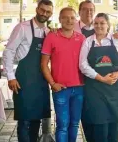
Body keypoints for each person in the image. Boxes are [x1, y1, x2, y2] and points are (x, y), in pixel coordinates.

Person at [2, 0, 53, 142]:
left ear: (51, 14)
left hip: (41, 81)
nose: (44, 13)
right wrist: (10, 77)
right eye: (42, 10)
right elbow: (9, 51)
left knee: (37, 118)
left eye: (48, 11)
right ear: (37, 9)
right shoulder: (22, 28)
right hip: (23, 79)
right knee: (24, 120)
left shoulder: (48, 32)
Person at [79, 13, 118, 142]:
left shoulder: (117, 41)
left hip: (115, 88)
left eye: (102, 23)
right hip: (95, 89)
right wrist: (101, 78)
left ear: (108, 25)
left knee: (114, 122)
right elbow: (83, 65)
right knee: (98, 123)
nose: (99, 26)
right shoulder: (88, 42)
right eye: (96, 23)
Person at [41, 7, 85, 142]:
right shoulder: (51, 36)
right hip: (61, 89)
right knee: (62, 126)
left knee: (75, 124)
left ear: (76, 20)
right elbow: (43, 64)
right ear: (59, 19)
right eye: (65, 17)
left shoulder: (82, 38)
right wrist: (52, 83)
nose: (69, 20)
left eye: (72, 17)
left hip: (80, 88)